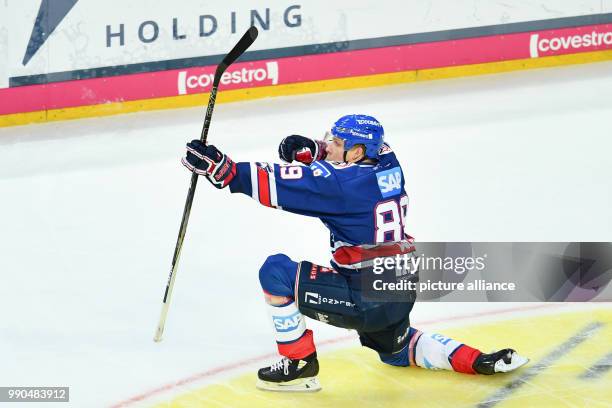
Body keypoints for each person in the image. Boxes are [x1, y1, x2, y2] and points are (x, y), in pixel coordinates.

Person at [181, 114, 528, 392]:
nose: (328, 146)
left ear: (357, 152)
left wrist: (220, 168)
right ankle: (478, 360)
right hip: (400, 290)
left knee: (275, 271)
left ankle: (299, 364)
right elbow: (337, 164)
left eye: (335, 142)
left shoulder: (338, 184)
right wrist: (316, 150)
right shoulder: (388, 161)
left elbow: (271, 182)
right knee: (399, 350)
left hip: (365, 297)